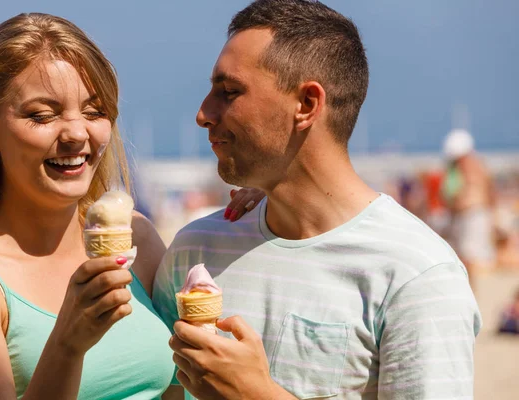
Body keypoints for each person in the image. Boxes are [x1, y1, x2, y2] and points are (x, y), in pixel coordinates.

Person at [0, 13, 263, 400]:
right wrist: (68, 343)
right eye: (42, 115)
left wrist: (271, 202)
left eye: (94, 111)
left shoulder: (139, 238)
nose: (76, 133)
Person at [152, 1, 482, 399]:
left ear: (307, 104)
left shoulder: (416, 274)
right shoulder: (195, 251)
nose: (203, 114)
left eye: (230, 91)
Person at [442, 128, 496, 288]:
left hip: (472, 215)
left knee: (470, 258)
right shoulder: (461, 168)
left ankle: (470, 289)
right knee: (465, 257)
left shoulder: (472, 167)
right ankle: (468, 288)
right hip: (464, 216)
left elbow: (485, 193)